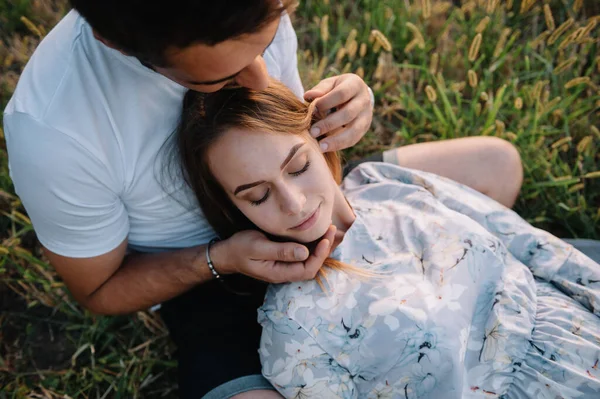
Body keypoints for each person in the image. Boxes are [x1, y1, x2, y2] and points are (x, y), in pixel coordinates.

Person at [3, 1, 524, 397]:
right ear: (118, 45)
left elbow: (281, 132)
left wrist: (337, 115)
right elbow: (98, 291)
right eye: (223, 77)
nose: (260, 75)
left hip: (322, 192)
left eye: (265, 42)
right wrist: (222, 258)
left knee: (495, 166)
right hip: (209, 280)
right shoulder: (56, 131)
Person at [174, 80, 600, 399]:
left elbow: (530, 247)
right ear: (236, 211)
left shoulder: (386, 181)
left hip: (580, 330)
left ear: (319, 139)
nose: (294, 202)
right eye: (259, 195)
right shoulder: (292, 327)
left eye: (299, 166)